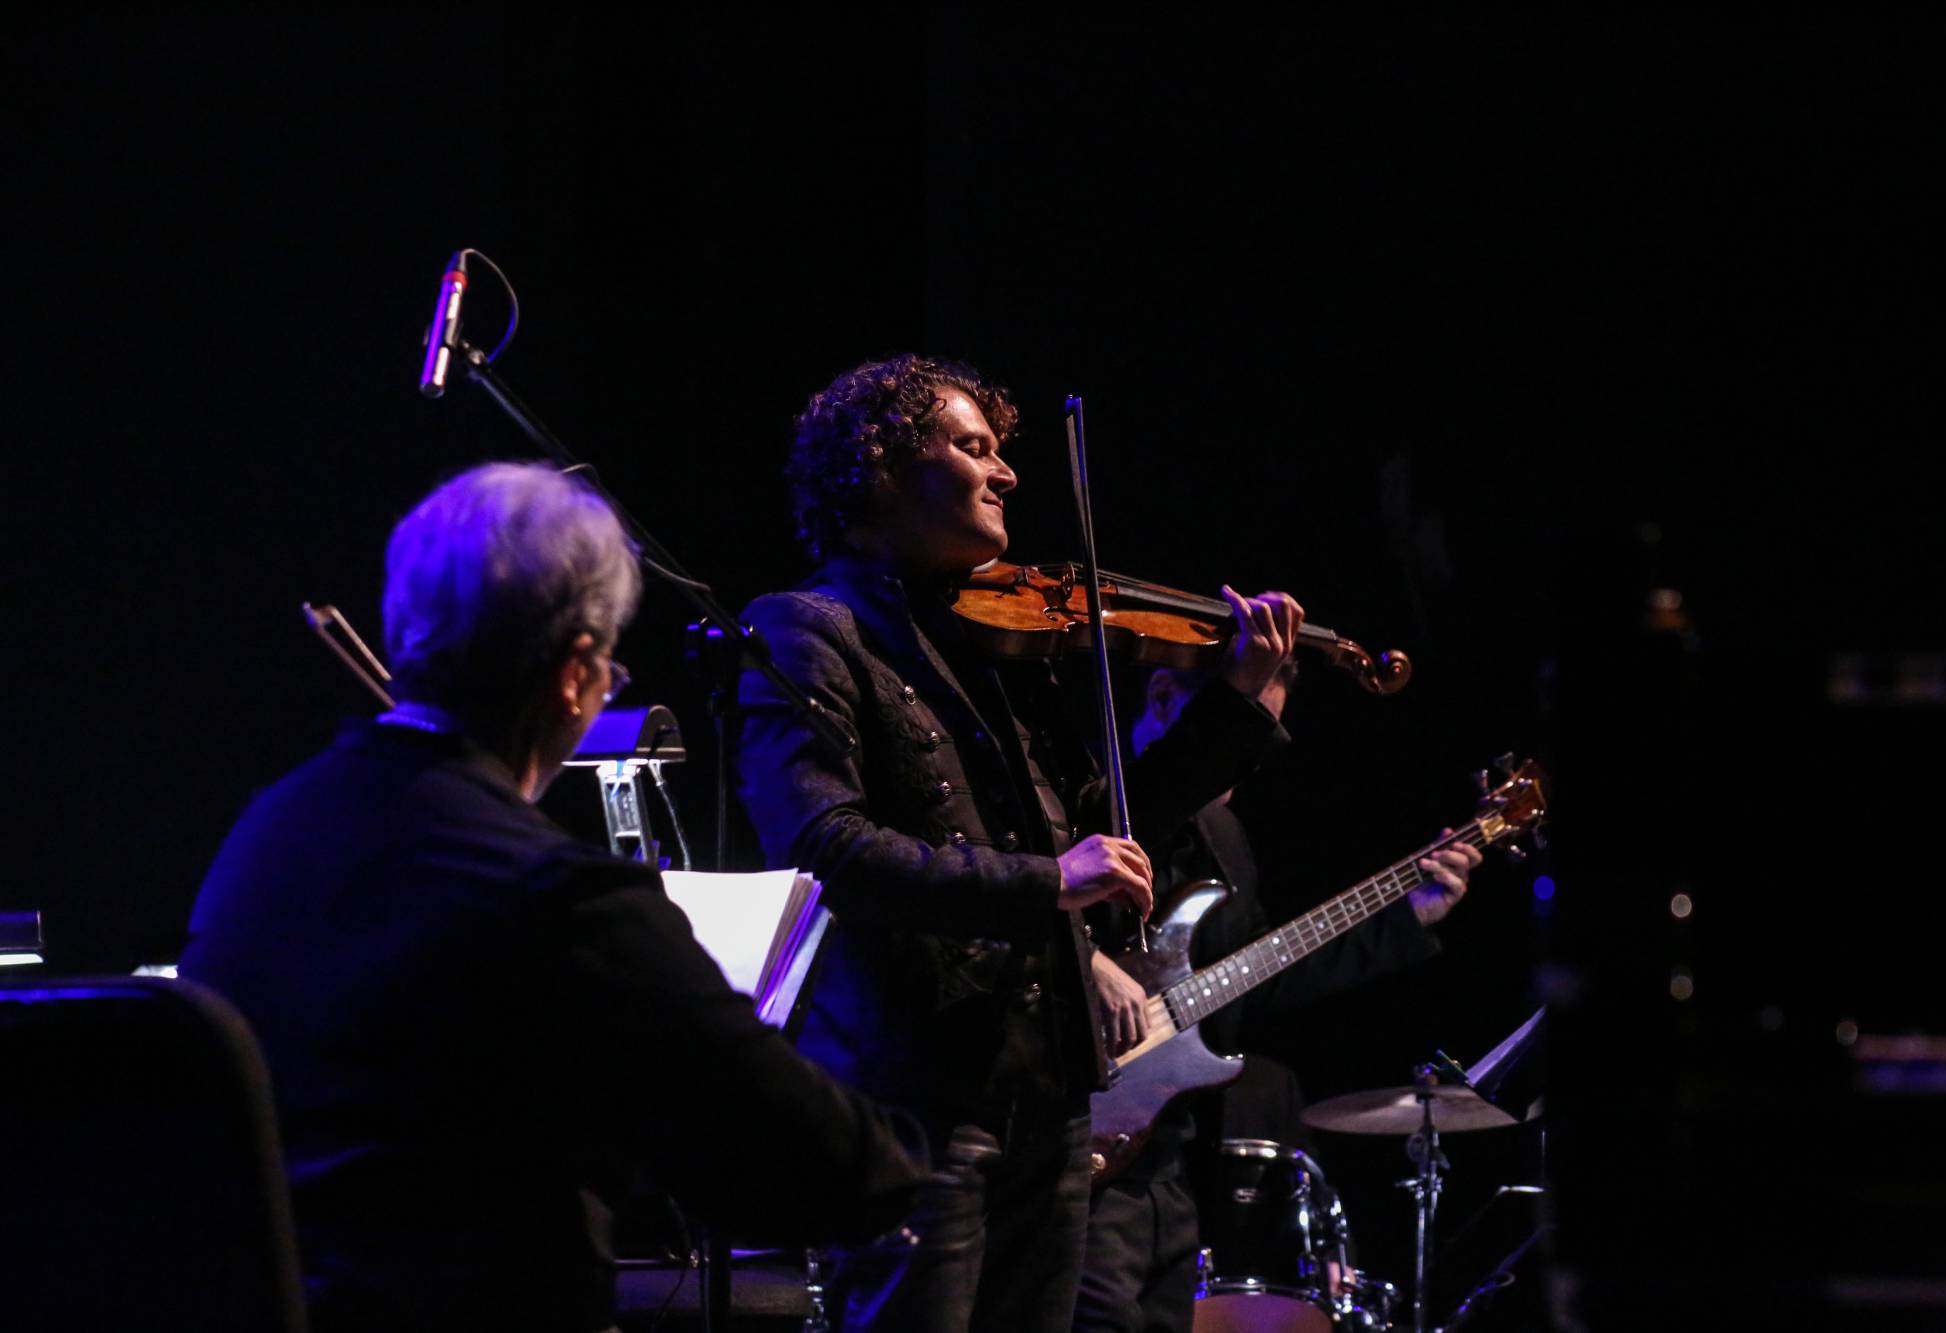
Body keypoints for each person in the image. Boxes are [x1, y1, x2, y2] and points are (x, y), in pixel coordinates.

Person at [180, 462, 925, 1333]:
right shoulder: (556, 892)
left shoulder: (269, 829)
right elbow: (819, 1166)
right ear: (577, 672)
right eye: (608, 669)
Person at [733, 354, 1305, 1332]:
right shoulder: (802, 629)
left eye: (1002, 453)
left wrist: (1236, 706)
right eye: (972, 448)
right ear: (879, 467)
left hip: (1048, 1094)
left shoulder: (997, 643)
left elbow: (1109, 825)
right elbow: (824, 844)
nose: (1005, 474)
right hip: (913, 1101)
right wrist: (1048, 880)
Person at [1072, 660, 1481, 1333]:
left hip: (1167, 1168)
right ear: (1166, 695)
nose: (1249, 755)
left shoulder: (1225, 837)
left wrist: (1411, 913)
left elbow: (1267, 978)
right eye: (1240, 723)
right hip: (1067, 1155)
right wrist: (1089, 964)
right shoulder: (1080, 796)